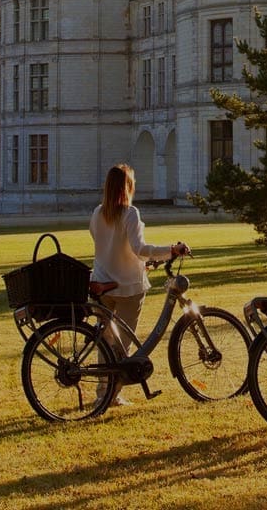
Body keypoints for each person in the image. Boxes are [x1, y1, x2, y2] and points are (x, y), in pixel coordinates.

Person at [89, 163, 187, 405]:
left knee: (106, 342)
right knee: (122, 344)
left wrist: (141, 263)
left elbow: (108, 248)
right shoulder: (129, 213)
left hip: (101, 283)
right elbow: (140, 248)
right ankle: (112, 394)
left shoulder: (97, 212)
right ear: (128, 187)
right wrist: (170, 250)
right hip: (126, 287)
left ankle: (104, 392)